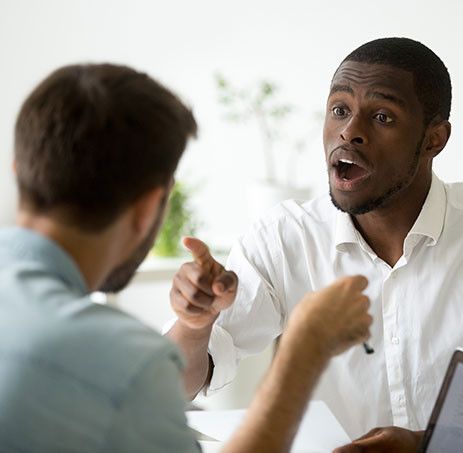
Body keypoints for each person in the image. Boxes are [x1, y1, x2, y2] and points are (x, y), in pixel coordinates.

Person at [167, 37, 463, 452]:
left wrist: (428, 446)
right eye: (339, 110)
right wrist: (194, 323)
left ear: (434, 139)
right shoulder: (284, 237)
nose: (350, 132)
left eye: (382, 117)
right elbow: (178, 384)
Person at [0, 63, 373, 453]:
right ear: (150, 207)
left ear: (18, 172)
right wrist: (304, 350)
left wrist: (196, 328)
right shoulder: (119, 361)